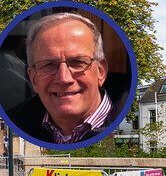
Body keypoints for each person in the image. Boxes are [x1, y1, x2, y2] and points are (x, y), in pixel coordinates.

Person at [8, 12, 122, 144]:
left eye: (78, 62)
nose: (64, 78)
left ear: (101, 71)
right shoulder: (18, 121)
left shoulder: (117, 121)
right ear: (33, 79)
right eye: (48, 65)